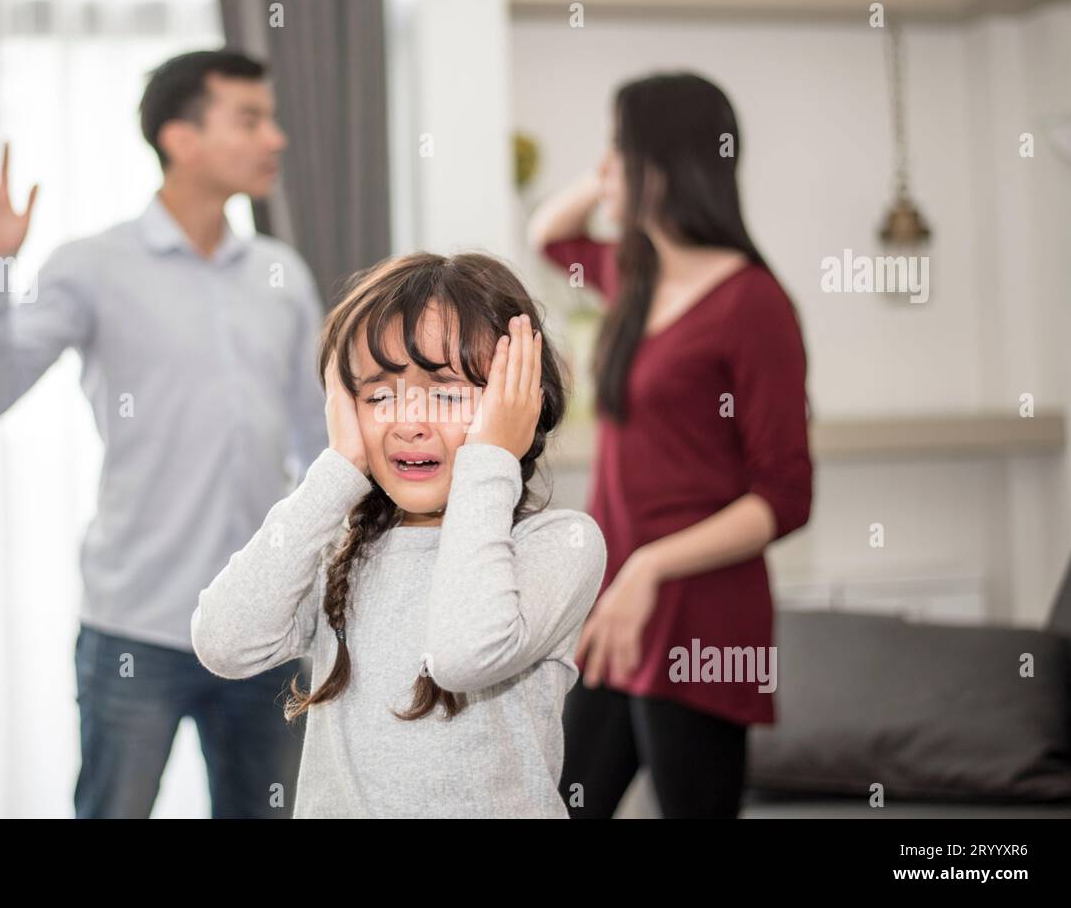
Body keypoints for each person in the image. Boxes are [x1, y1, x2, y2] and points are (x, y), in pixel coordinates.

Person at [0, 50, 328, 818]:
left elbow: (318, 439)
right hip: (135, 629)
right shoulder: (93, 265)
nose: (276, 139)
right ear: (180, 138)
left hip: (265, 627)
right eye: (250, 119)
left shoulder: (281, 273)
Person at [191, 252, 608, 817]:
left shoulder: (559, 544)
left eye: (447, 392)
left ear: (521, 404)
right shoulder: (339, 547)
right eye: (379, 395)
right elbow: (224, 641)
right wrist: (338, 468)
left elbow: (465, 655)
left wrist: (488, 459)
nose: (410, 422)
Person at [528, 72, 813, 818]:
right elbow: (549, 235)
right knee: (557, 803)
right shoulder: (634, 277)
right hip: (619, 602)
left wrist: (652, 564)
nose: (604, 168)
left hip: (696, 610)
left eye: (617, 152)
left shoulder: (754, 304)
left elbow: (784, 495)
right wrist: (606, 178)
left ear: (660, 166)